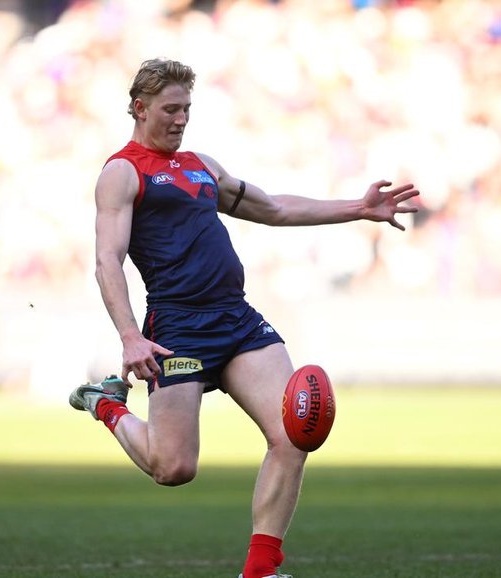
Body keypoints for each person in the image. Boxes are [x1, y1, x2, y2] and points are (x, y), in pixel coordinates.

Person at [69, 58, 420, 578]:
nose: (181, 119)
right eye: (170, 109)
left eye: (187, 108)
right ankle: (106, 405)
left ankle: (261, 570)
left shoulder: (202, 167)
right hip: (178, 329)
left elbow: (274, 209)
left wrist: (358, 208)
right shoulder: (122, 172)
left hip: (237, 321)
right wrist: (129, 337)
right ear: (140, 108)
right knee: (174, 468)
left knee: (295, 431)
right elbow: (106, 260)